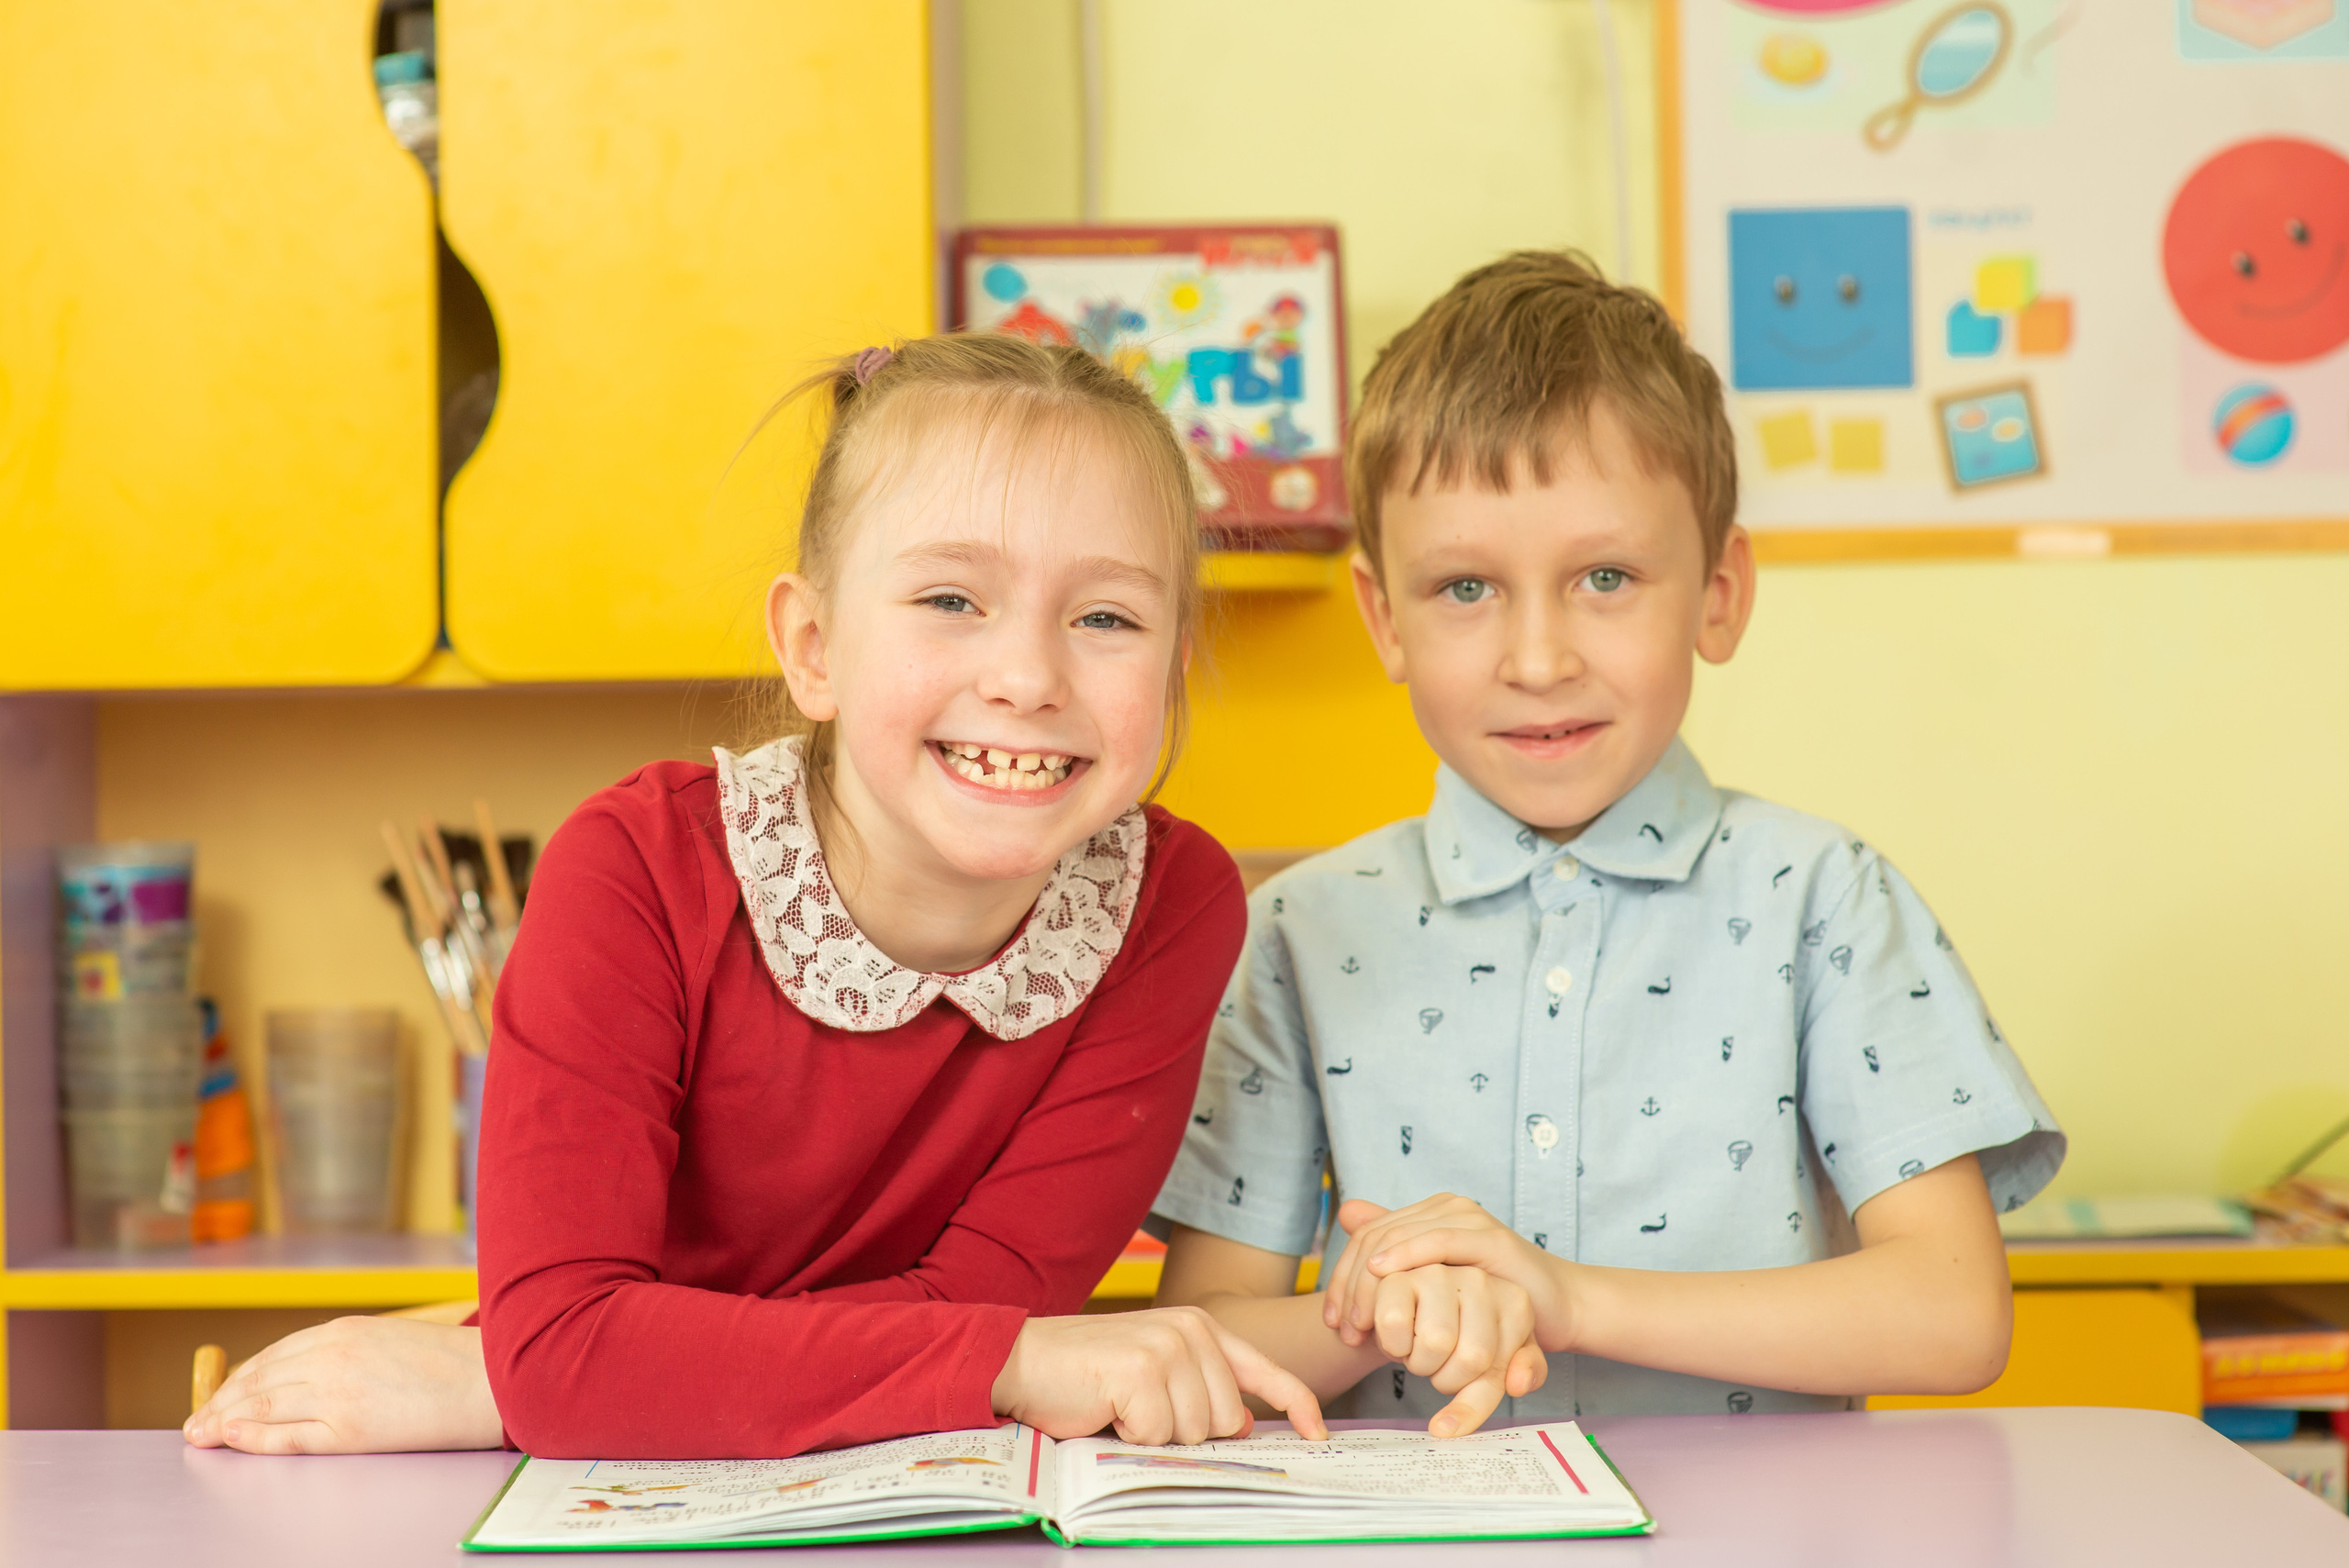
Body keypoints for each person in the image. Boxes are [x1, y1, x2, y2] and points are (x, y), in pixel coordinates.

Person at [186, 332, 1341, 1458]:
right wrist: (562, 1369)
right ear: (812, 644)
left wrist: (556, 1375)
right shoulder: (632, 868)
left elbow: (973, 1310)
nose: (1029, 677)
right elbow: (975, 1351)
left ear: (1176, 666)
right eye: (949, 598)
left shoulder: (1171, 907)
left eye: (1106, 617)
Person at [1151, 250, 2065, 1431]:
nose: (1538, 659)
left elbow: (1951, 1314)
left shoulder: (1824, 898)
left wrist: (1565, 1298)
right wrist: (1405, 1302)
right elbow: (1205, 1332)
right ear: (1384, 618)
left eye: (1604, 576)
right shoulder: (1295, 931)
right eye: (1465, 589)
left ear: (1718, 594)